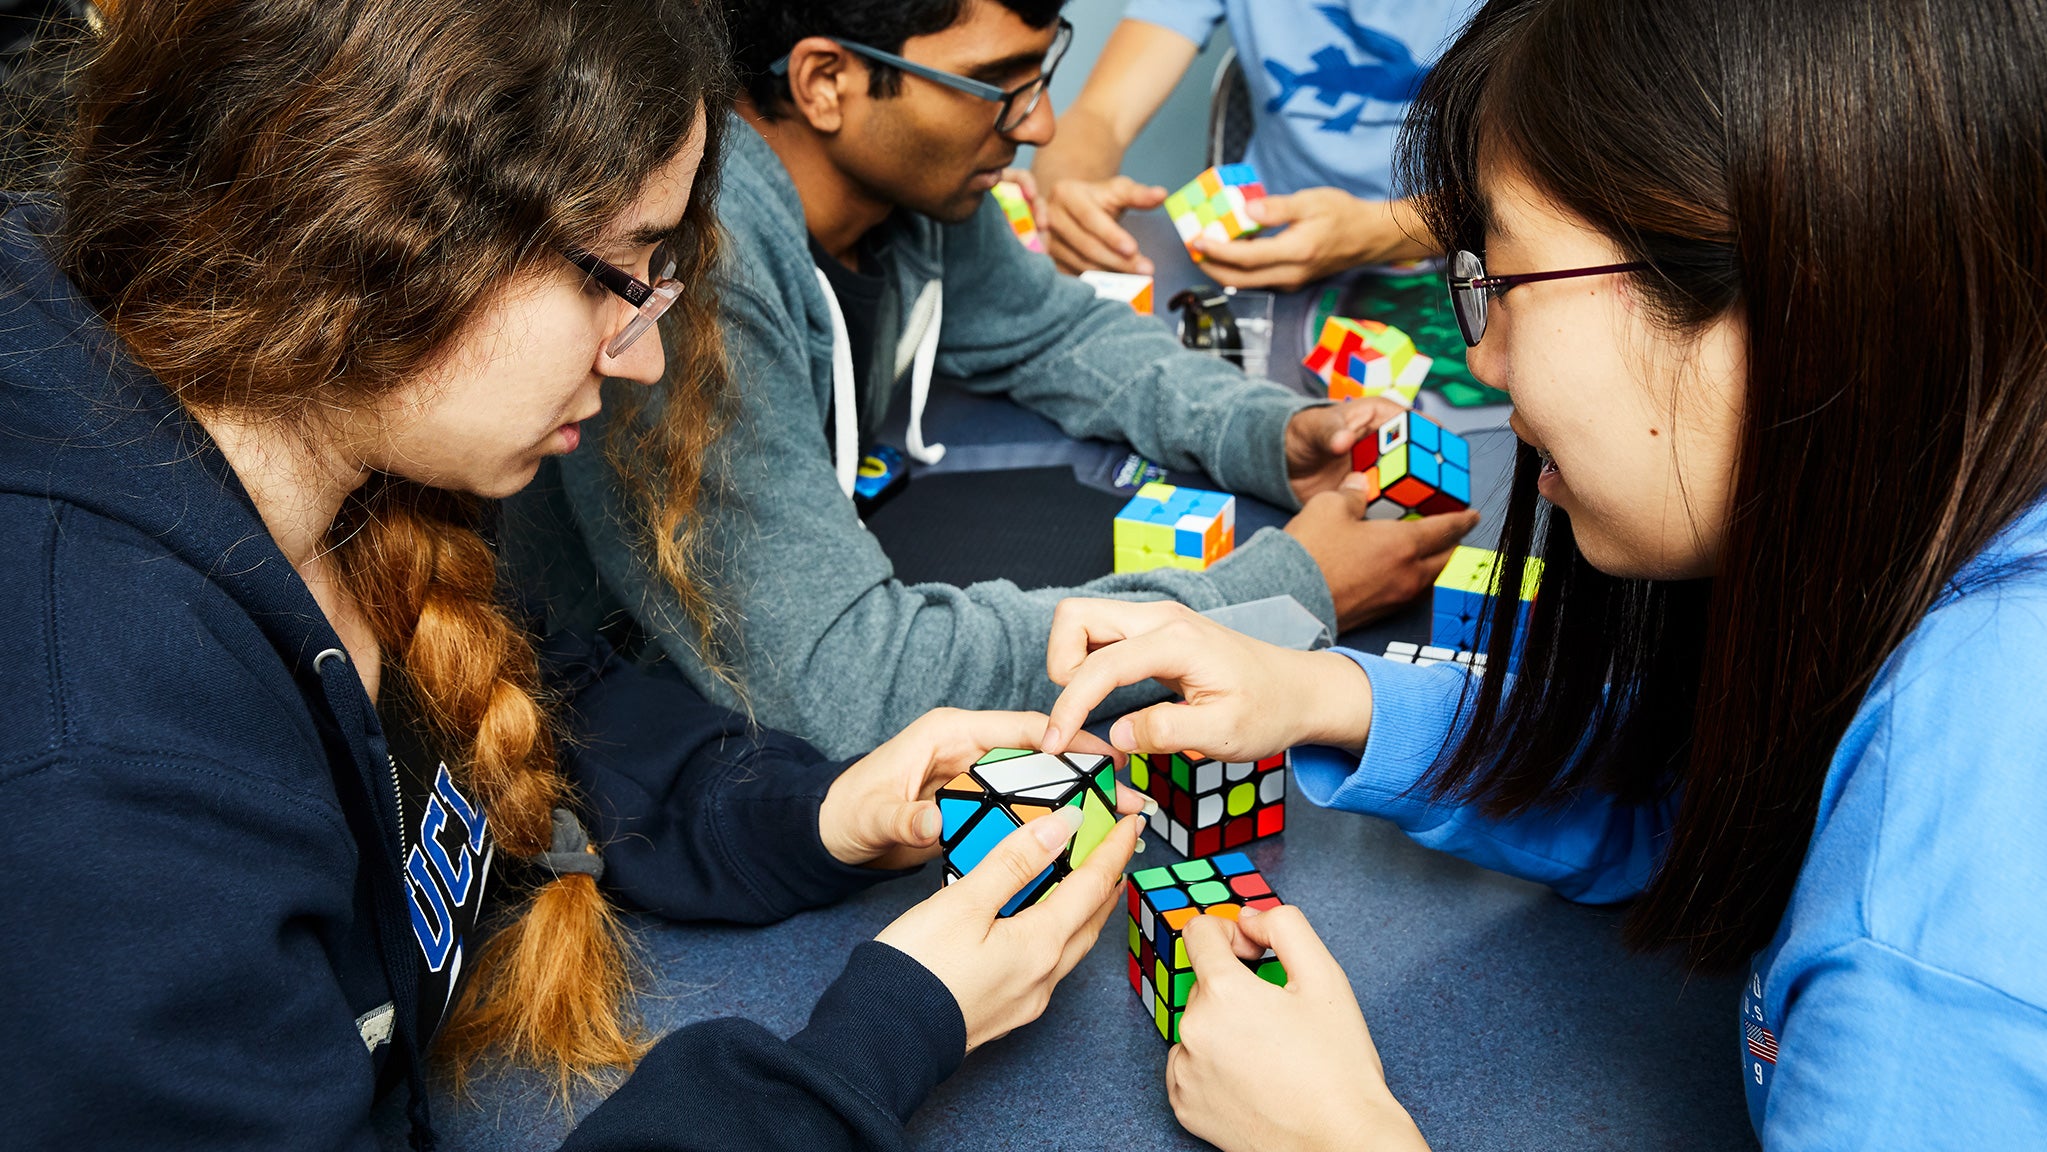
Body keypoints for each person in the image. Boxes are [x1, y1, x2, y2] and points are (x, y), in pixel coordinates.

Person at [0, 3, 1146, 1149]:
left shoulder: (358, 460)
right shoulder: (97, 763)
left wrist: (822, 813)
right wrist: (884, 1036)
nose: (643, 351)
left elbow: (556, 702)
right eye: (623, 273)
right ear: (386, 226)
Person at [1037, 0, 2047, 1146]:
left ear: (1778, 290)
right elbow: (1703, 801)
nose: (1479, 359)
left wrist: (1339, 1138)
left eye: (1500, 281)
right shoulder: (1942, 549)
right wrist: (1322, 694)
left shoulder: (1946, 910)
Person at [503, 0, 1477, 760]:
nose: (1044, 126)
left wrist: (1267, 434)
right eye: (996, 83)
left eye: (1042, 71)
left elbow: (1051, 335)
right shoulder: (694, 274)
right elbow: (854, 683)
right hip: (611, 721)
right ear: (827, 81)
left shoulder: (912, 184)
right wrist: (1283, 587)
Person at [1030, 1, 1476, 289]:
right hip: (1258, 257)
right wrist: (1068, 197)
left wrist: (1380, 232)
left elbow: (1536, 195)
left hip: (1468, 260)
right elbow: (1099, 115)